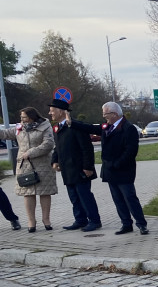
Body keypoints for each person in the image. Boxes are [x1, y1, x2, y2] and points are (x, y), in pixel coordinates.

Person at [71, 102, 147, 235]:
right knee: (117, 199)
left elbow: (130, 151)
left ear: (114, 114)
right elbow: (90, 128)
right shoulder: (107, 126)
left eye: (105, 114)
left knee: (130, 198)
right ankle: (126, 224)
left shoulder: (128, 128)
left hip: (123, 170)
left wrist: (117, 163)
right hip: (110, 170)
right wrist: (71, 122)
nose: (104, 117)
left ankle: (141, 224)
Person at [0, 107, 56, 232]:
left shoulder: (45, 126)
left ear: (32, 117)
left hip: (43, 164)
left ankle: (46, 219)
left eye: (24, 117)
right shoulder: (20, 128)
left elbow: (48, 144)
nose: (22, 120)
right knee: (28, 193)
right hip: (24, 165)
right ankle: (31, 221)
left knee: (45, 192)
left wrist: (31, 152)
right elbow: (5, 134)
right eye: (21, 118)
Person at [49, 97, 101, 231]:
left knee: (84, 196)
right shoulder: (57, 128)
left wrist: (88, 167)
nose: (50, 113)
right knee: (74, 197)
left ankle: (94, 220)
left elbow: (87, 148)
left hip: (80, 169)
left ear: (61, 111)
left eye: (52, 111)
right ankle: (80, 220)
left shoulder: (75, 126)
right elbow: (57, 147)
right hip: (67, 169)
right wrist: (54, 160)